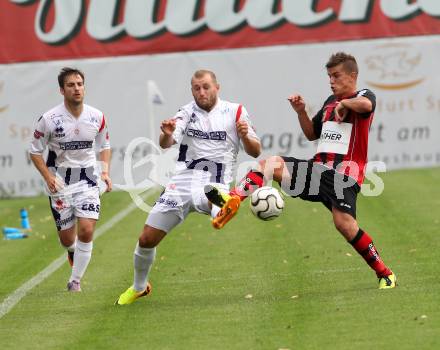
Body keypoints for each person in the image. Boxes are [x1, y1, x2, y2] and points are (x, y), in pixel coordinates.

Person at [205, 52, 396, 289]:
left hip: (343, 177)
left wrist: (346, 103)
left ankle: (385, 273)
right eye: (329, 76)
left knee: (345, 225)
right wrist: (301, 112)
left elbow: (367, 105)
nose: (331, 81)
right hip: (318, 170)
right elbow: (311, 134)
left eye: (336, 76)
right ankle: (231, 199)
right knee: (270, 164)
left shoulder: (362, 96)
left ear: (352, 75)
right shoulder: (329, 103)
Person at [115, 69, 261, 305]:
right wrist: (167, 134)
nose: (201, 92)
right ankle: (139, 287)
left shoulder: (235, 111)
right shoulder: (186, 112)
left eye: (205, 86)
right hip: (181, 183)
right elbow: (166, 143)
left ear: (217, 87)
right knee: (146, 239)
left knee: (213, 197)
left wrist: (245, 137)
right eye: (196, 88)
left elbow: (255, 151)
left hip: (215, 180)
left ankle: (224, 206)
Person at [29, 67, 112, 292]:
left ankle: (74, 281)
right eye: (71, 85)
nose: (76, 89)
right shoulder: (48, 119)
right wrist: (48, 177)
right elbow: (35, 152)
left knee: (86, 230)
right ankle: (72, 251)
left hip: (87, 179)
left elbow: (104, 145)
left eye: (79, 84)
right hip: (60, 183)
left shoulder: (97, 116)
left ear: (84, 87)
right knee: (68, 239)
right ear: (61, 90)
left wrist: (104, 173)